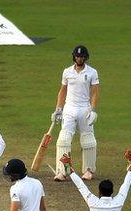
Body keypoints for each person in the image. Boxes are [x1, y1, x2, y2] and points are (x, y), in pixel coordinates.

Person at [51, 45, 100, 181]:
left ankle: (88, 170)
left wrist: (93, 110)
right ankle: (62, 171)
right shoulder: (67, 72)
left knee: (88, 140)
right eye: (77, 56)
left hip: (85, 108)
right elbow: (62, 90)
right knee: (64, 139)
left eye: (82, 56)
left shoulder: (92, 72)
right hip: (69, 108)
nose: (79, 58)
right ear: (74, 57)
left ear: (85, 57)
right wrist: (58, 109)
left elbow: (95, 92)